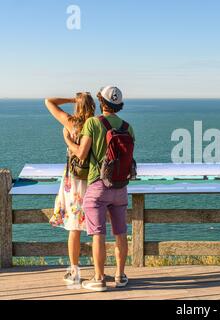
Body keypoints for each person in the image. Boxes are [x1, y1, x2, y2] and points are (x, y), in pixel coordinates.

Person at [64, 86, 135, 292]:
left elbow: (82, 154)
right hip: (121, 187)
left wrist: (68, 140)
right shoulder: (128, 127)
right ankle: (120, 276)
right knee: (121, 232)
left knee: (98, 234)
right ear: (118, 106)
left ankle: (99, 278)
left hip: (98, 187)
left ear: (101, 102)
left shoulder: (93, 123)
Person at [44, 93, 96, 284]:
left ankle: (74, 272)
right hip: (92, 180)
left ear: (78, 106)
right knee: (95, 228)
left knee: (74, 228)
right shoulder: (96, 124)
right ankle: (99, 272)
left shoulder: (71, 123)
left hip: (73, 181)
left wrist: (72, 100)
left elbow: (48, 101)